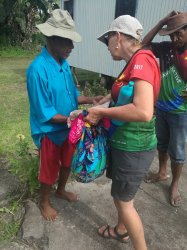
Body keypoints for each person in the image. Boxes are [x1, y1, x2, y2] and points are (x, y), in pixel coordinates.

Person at [85, 15, 161, 250]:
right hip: (126, 143)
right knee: (122, 196)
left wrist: (102, 113)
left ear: (117, 37)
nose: (107, 47)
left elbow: (143, 110)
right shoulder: (134, 62)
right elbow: (125, 92)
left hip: (134, 146)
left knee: (123, 201)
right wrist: (103, 102)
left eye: (107, 40)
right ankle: (121, 230)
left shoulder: (142, 61)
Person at [26, 9, 103, 221]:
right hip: (50, 130)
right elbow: (45, 113)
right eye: (67, 42)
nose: (71, 47)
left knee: (67, 162)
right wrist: (78, 116)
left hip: (69, 127)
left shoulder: (64, 64)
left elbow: (71, 96)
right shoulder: (37, 70)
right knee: (48, 169)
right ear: (51, 38)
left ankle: (60, 190)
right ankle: (44, 201)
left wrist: (90, 100)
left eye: (72, 42)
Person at [143, 12, 187, 207]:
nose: (175, 39)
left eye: (179, 34)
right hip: (161, 107)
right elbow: (143, 44)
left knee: (177, 151)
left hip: (180, 113)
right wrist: (161, 22)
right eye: (171, 35)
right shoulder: (165, 48)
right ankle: (162, 172)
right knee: (161, 144)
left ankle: (175, 185)